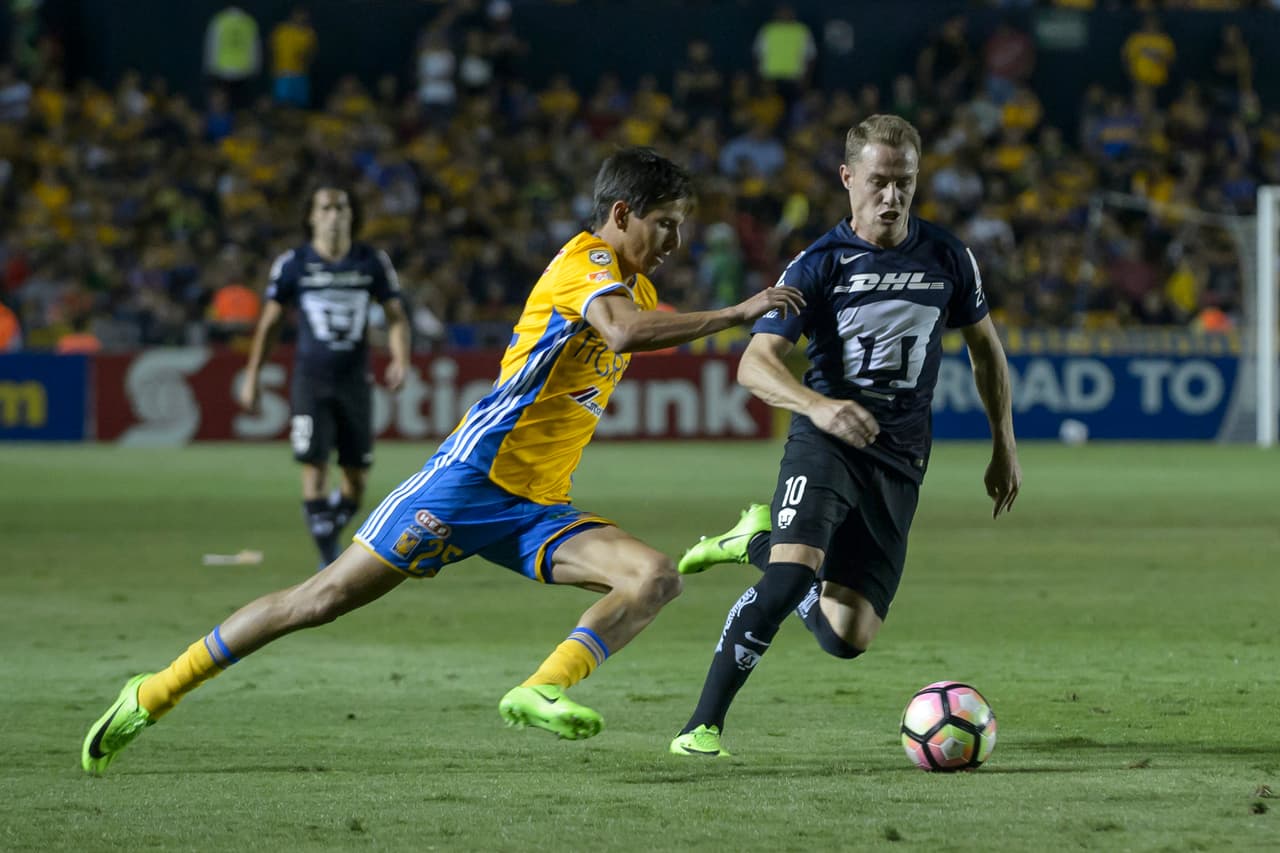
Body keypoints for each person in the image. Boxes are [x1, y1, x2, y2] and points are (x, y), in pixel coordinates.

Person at [80, 147, 805, 775]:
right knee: (319, 600)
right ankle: (154, 690)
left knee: (654, 576)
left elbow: (638, 323)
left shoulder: (637, 288)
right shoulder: (584, 262)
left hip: (537, 505)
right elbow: (622, 333)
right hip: (466, 482)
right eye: (666, 223)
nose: (677, 240)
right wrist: (737, 313)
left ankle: (541, 687)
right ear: (621, 213)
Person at [667, 115, 1021, 758]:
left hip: (901, 457)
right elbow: (754, 364)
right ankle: (702, 725)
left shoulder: (947, 255)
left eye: (904, 184)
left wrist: (1005, 446)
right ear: (848, 177)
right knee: (785, 584)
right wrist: (818, 407)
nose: (891, 197)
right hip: (825, 444)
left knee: (847, 638)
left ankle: (755, 539)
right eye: (879, 182)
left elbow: (987, 354)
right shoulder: (817, 264)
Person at [238, 183, 412, 568]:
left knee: (356, 479)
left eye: (342, 208)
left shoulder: (371, 261)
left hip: (355, 381)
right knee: (314, 467)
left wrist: (400, 358)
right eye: (327, 208)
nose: (335, 215)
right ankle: (326, 558)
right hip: (310, 382)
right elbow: (269, 324)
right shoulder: (293, 263)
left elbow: (396, 316)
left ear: (351, 215)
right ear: (312, 216)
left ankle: (328, 531)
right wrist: (252, 375)